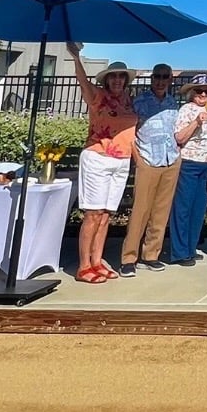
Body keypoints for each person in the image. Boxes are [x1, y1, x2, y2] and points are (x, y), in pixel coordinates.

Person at [68, 46, 137, 284]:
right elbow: (81, 81)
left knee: (106, 214)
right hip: (97, 157)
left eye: (121, 76)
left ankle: (97, 262)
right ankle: (84, 266)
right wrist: (76, 57)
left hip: (121, 161)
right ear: (106, 79)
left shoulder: (128, 100)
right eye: (113, 76)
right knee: (93, 213)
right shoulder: (97, 96)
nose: (117, 80)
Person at [118, 64, 181, 277]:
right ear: (152, 78)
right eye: (157, 76)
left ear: (170, 79)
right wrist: (138, 159)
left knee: (161, 212)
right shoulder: (139, 102)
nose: (161, 80)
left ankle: (151, 255)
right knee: (140, 211)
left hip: (170, 160)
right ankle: (129, 258)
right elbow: (129, 132)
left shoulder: (173, 103)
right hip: (148, 161)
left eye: (165, 77)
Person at [168, 74, 207, 267]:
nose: (203, 94)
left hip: (205, 164)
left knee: (198, 208)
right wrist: (196, 122)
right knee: (183, 208)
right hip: (189, 163)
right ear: (191, 93)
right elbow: (179, 137)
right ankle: (179, 251)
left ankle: (191, 248)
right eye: (199, 91)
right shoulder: (186, 110)